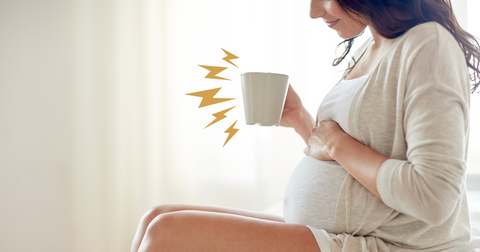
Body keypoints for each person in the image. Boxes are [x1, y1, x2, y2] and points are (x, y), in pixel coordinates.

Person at [131, 0, 480, 251]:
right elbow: (354, 151)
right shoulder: (372, 47)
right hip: (340, 231)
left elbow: (435, 197)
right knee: (157, 216)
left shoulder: (428, 44)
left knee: (167, 233)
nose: (313, 11)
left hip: (390, 244)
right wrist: (302, 122)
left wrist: (337, 144)